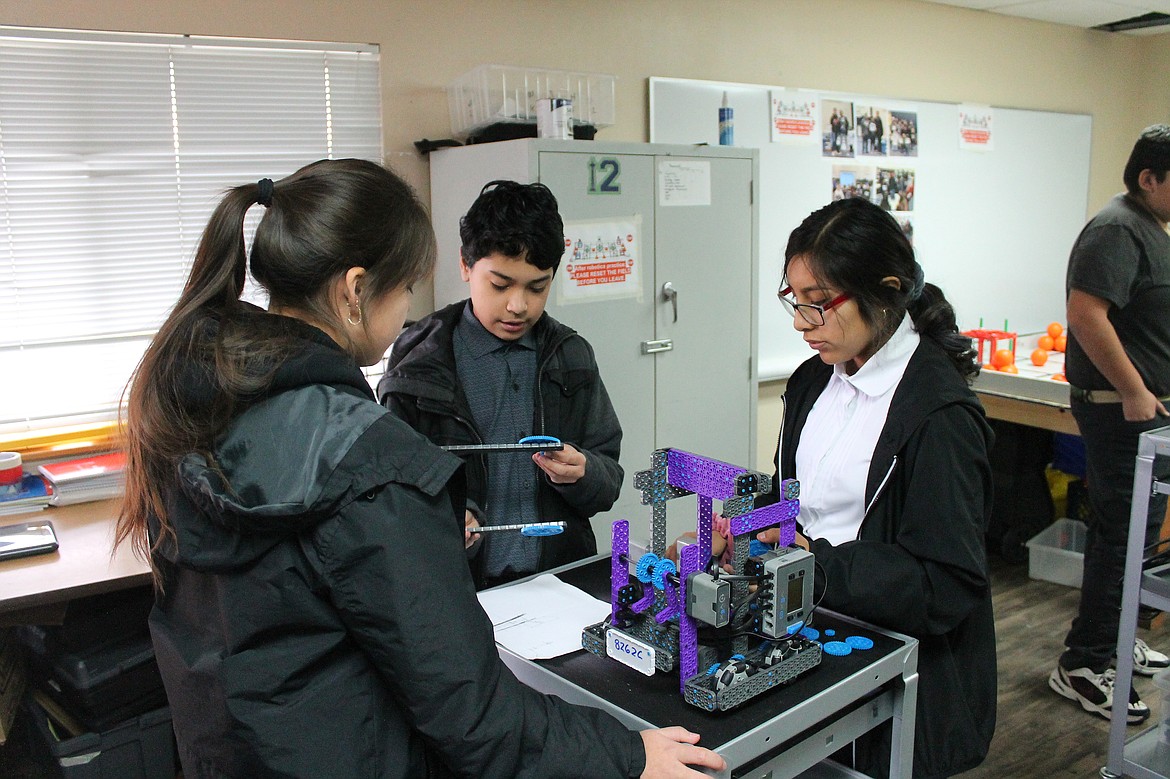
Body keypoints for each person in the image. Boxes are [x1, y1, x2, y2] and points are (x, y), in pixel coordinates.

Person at [116, 159, 724, 778]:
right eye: (406, 287)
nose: (516, 303)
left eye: (536, 286)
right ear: (355, 291)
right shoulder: (371, 454)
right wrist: (626, 753)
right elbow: (470, 712)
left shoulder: (194, 398)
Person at [757, 197, 996, 778]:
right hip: (813, 629)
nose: (800, 323)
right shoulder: (814, 379)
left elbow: (945, 581)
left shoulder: (938, 415)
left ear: (886, 290)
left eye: (819, 305)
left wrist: (814, 566)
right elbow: (797, 494)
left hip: (896, 665)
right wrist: (751, 525)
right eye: (795, 302)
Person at [378, 180, 623, 590]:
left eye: (537, 287)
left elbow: (608, 480)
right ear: (465, 266)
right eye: (500, 284)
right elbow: (388, 497)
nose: (518, 305)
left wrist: (585, 473)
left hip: (560, 583)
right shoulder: (420, 366)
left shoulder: (571, 356)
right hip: (458, 589)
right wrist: (447, 517)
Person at [1049, 123, 1170, 725]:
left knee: (1139, 539)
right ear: (1149, 177)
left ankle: (1118, 642)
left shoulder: (1147, 227)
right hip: (1121, 413)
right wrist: (1134, 390)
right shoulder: (1118, 228)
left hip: (1143, 414)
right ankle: (1085, 662)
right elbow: (1084, 314)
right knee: (1120, 540)